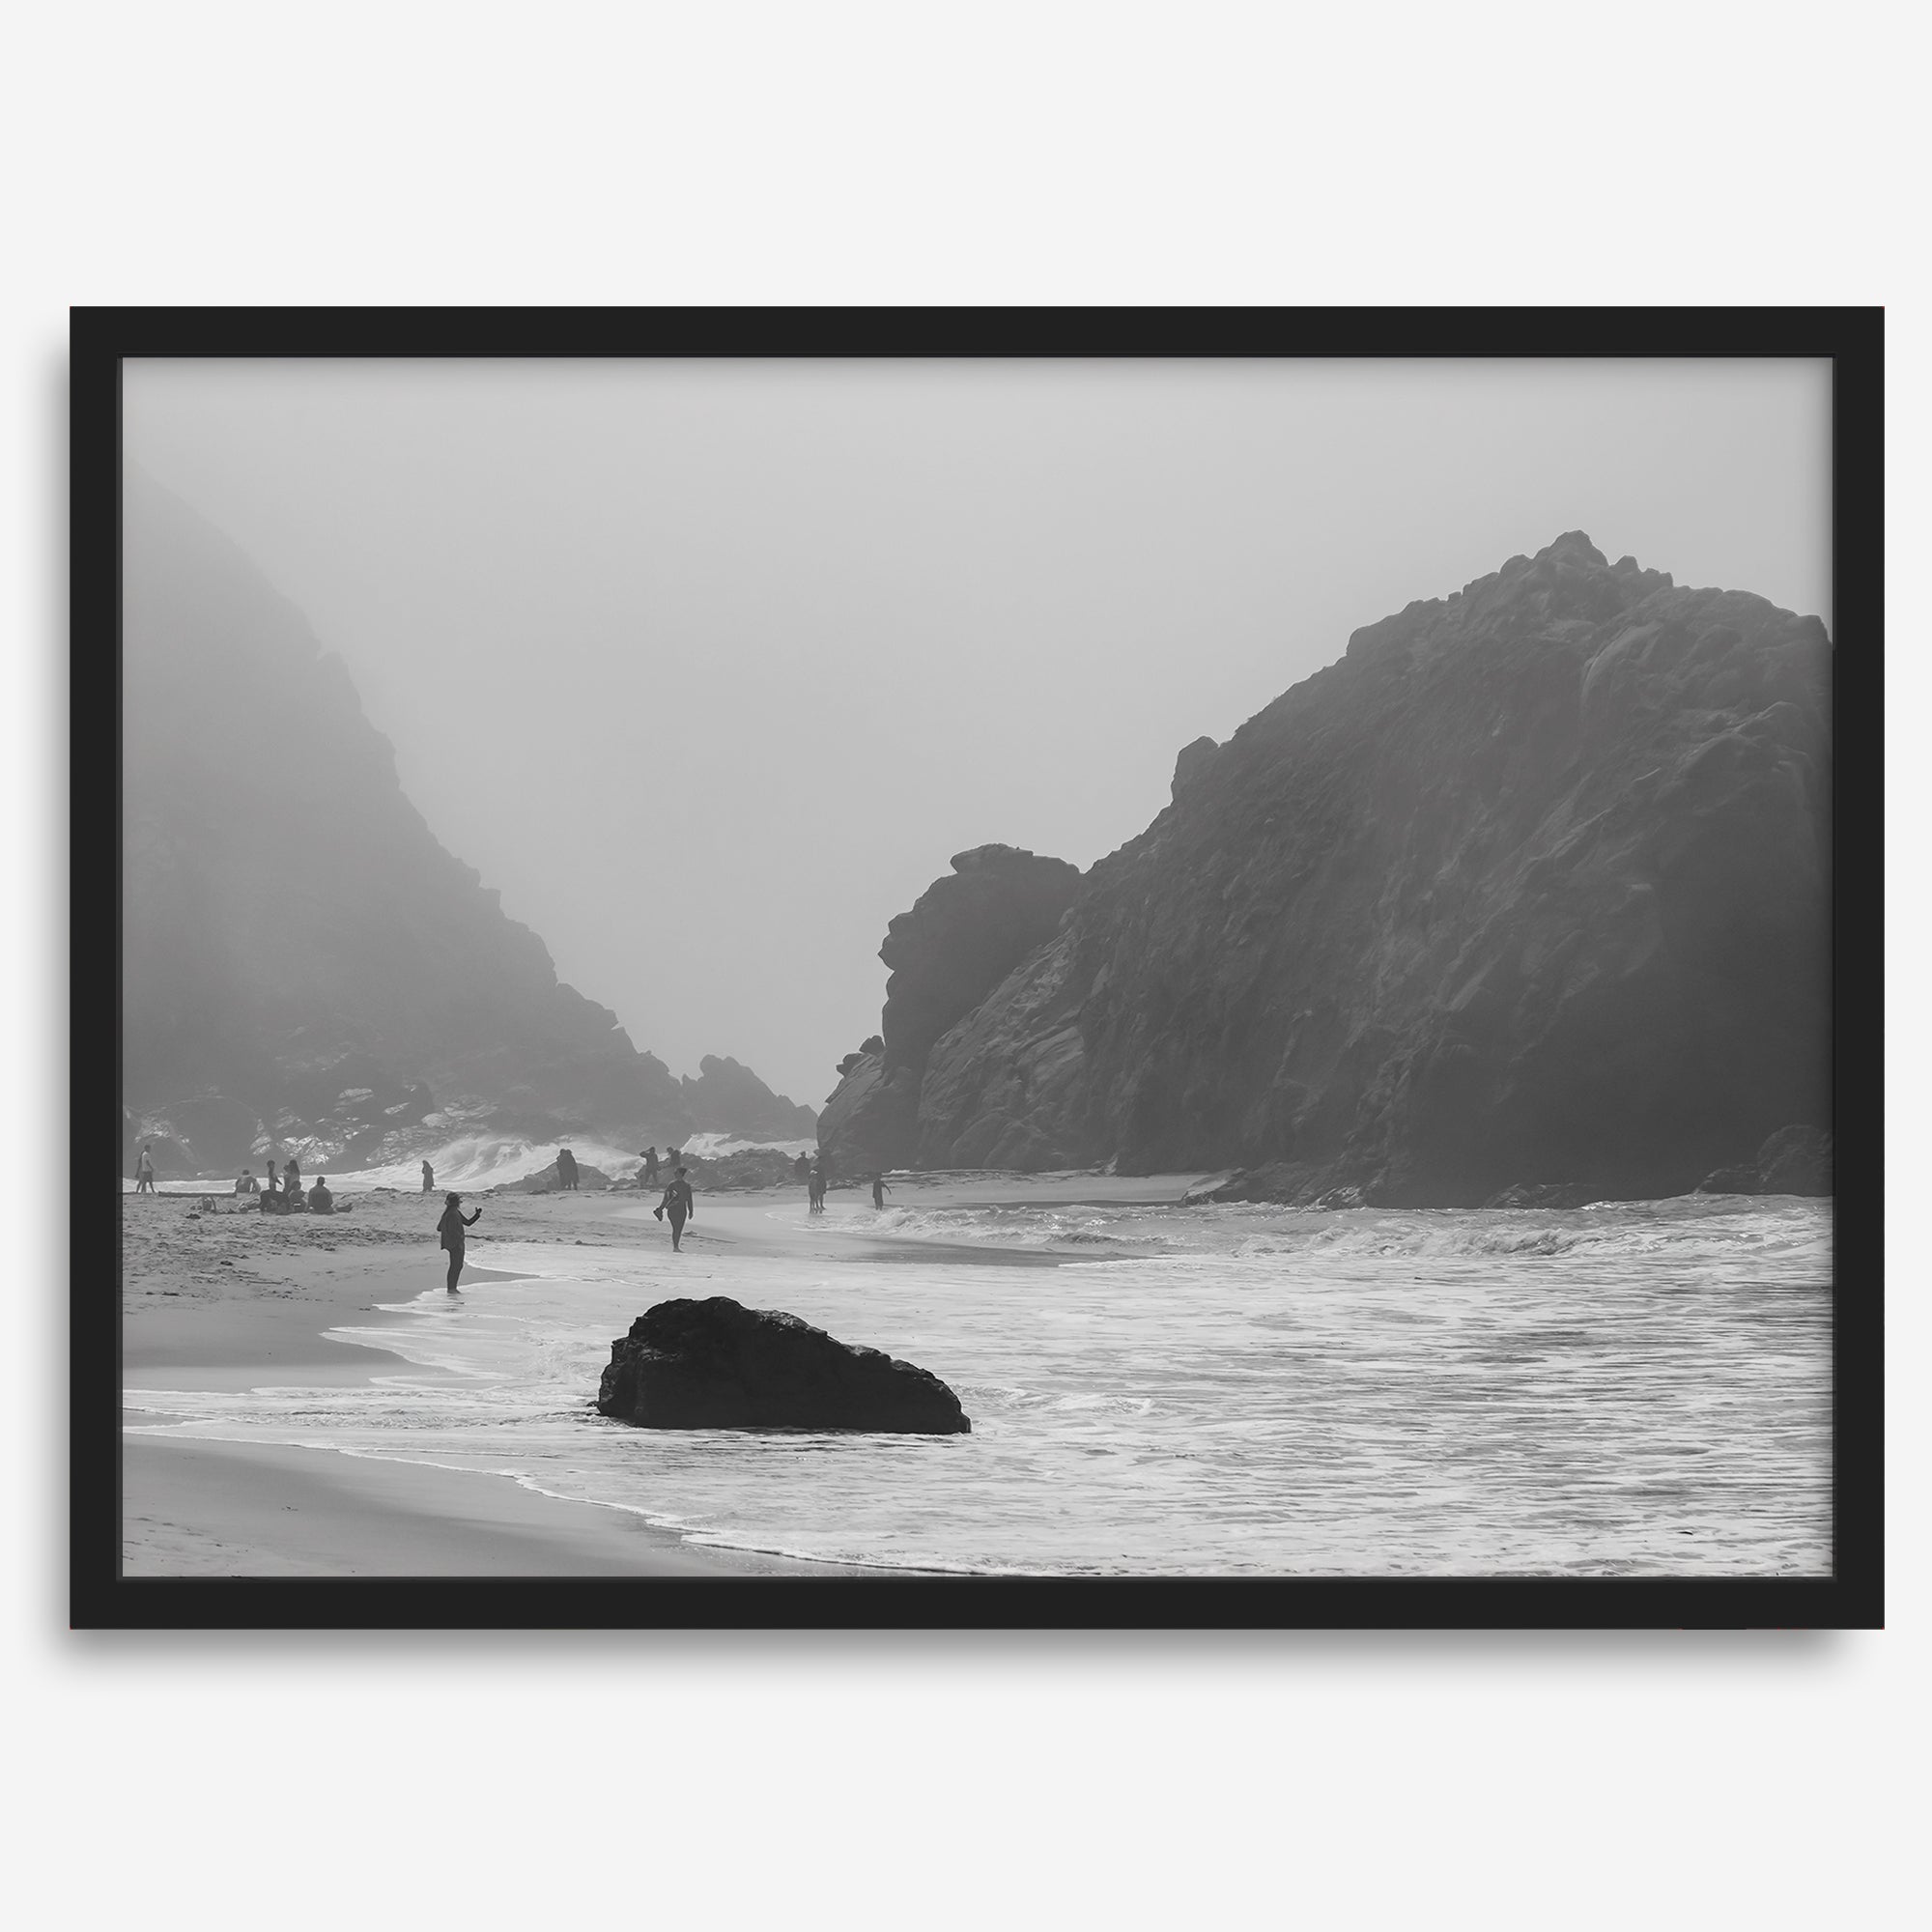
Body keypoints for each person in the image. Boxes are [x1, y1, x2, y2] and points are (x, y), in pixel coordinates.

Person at [436, 1192, 482, 1293]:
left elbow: (467, 1223)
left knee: (456, 1265)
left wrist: (477, 1215)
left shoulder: (451, 1212)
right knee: (456, 1266)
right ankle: (452, 1288)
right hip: (456, 1243)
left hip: (453, 1242)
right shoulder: (452, 1213)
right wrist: (457, 1238)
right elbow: (444, 1228)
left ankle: (452, 1288)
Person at [655, 1166, 695, 1252]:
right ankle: (675, 1247)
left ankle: (676, 1246)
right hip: (673, 1209)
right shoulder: (672, 1185)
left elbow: (689, 1199)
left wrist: (691, 1211)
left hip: (682, 1210)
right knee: (676, 1228)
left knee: (679, 1229)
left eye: (676, 1173)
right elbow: (666, 1197)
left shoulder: (687, 1186)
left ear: (681, 1174)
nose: (675, 1174)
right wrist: (661, 1208)